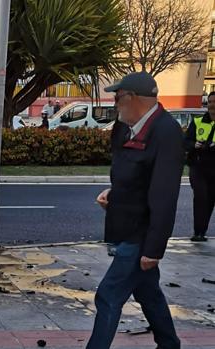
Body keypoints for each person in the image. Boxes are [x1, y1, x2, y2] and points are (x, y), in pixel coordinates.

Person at [88, 72, 183, 349]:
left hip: (141, 233)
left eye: (118, 98)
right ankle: (169, 344)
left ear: (134, 99)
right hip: (124, 225)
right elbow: (132, 176)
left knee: (108, 295)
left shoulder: (165, 132)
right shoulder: (124, 127)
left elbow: (164, 195)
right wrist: (113, 194)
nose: (115, 104)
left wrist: (154, 249)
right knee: (148, 293)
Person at [185, 91, 215, 242]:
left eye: (214, 102)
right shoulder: (197, 121)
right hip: (199, 167)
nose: (212, 105)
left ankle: (202, 231)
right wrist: (194, 144)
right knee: (201, 198)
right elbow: (186, 141)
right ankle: (198, 232)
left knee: (210, 199)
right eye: (210, 102)